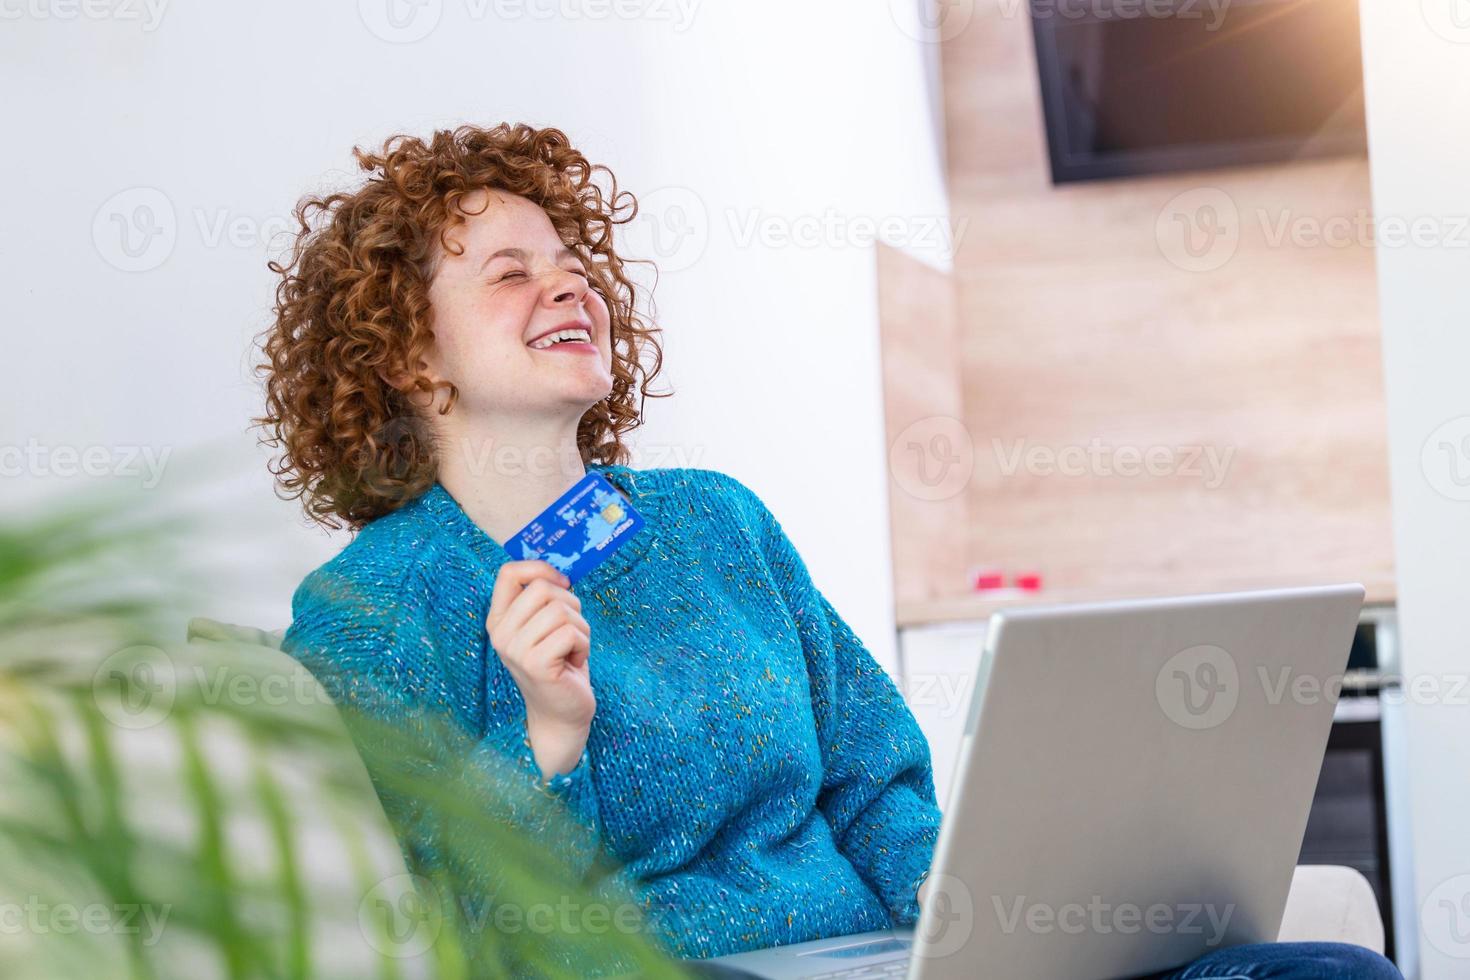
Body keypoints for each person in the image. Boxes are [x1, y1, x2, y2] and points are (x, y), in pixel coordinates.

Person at [257, 122, 1401, 980]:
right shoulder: (369, 609)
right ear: (409, 354)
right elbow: (441, 932)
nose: (570, 282)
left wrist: (967, 921)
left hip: (881, 953)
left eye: (571, 259)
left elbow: (876, 778)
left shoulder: (718, 520)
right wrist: (546, 739)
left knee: (1319, 970)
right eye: (510, 271)